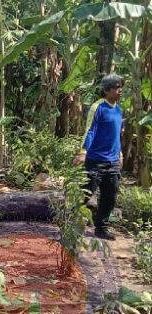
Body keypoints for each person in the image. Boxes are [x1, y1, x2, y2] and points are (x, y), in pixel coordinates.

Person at [73, 74, 124, 240]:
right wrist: (83, 152)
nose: (120, 90)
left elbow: (117, 135)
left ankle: (101, 228)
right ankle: (72, 223)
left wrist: (120, 154)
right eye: (116, 87)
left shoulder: (118, 109)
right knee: (85, 194)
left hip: (113, 161)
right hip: (95, 160)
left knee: (110, 197)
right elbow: (90, 130)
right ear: (107, 90)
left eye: (120, 86)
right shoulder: (98, 107)